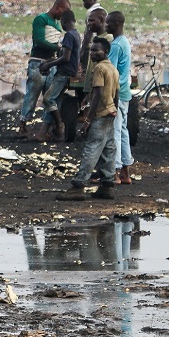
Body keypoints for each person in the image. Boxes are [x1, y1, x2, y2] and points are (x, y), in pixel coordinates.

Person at [56, 38, 119, 200]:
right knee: (108, 150)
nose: (92, 53)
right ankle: (107, 186)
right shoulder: (112, 68)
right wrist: (114, 109)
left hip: (100, 114)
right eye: (91, 50)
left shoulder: (98, 68)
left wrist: (87, 121)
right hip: (110, 113)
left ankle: (78, 186)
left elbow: (98, 94)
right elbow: (115, 93)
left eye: (96, 50)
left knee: (91, 149)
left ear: (105, 52)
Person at [18, 0, 70, 137]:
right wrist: (58, 48)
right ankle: (23, 124)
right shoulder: (41, 19)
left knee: (49, 96)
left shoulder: (57, 24)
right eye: (63, 12)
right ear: (58, 7)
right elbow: (39, 41)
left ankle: (45, 129)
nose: (63, 16)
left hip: (51, 63)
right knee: (32, 94)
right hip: (38, 61)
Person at [39, 10, 81, 141]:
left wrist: (49, 65)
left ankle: (59, 124)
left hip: (64, 72)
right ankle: (54, 128)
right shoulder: (76, 34)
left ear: (64, 21)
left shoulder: (69, 35)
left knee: (48, 99)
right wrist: (49, 62)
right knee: (56, 99)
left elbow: (66, 58)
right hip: (70, 71)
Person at [105, 11, 134, 184]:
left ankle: (114, 172)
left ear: (116, 23)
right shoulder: (124, 42)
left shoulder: (115, 45)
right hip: (125, 93)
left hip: (116, 93)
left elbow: (111, 73)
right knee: (123, 131)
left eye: (108, 23)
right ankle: (126, 171)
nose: (105, 25)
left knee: (114, 131)